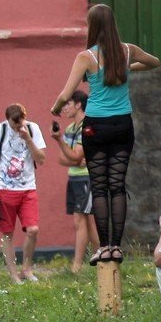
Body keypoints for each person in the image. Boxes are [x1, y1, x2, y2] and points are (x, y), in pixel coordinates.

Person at [51, 3, 160, 264]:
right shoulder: (127, 50)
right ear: (112, 24)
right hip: (123, 124)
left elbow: (66, 94)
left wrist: (55, 108)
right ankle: (117, 247)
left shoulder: (86, 57)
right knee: (118, 186)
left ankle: (103, 247)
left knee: (99, 188)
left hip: (95, 126)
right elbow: (155, 62)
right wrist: (128, 67)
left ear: (92, 26)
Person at [0, 103, 47, 283]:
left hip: (28, 188)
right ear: (8, 120)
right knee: (8, 234)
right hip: (4, 189)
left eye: (20, 124)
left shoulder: (33, 129)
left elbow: (41, 160)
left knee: (33, 230)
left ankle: (26, 269)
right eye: (14, 125)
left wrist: (28, 139)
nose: (18, 128)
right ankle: (13, 275)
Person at [50, 91, 98, 273]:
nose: (64, 108)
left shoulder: (87, 125)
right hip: (75, 177)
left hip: (87, 177)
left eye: (67, 104)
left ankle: (77, 266)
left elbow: (75, 154)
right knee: (87, 220)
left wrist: (59, 141)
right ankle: (100, 257)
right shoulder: (70, 128)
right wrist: (75, 158)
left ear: (78, 104)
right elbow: (62, 159)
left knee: (80, 220)